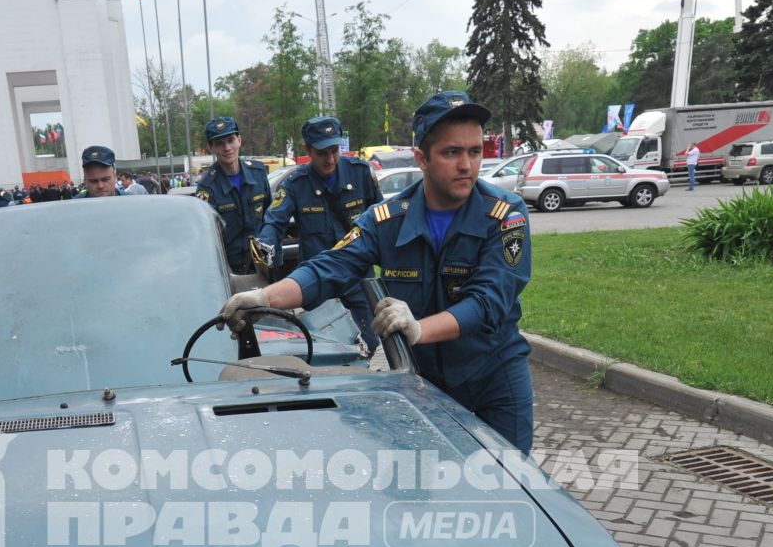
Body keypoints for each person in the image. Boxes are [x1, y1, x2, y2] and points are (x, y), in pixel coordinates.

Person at [220, 91, 537, 451]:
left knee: (510, 490)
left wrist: (418, 328)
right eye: (451, 152)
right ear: (422, 158)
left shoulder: (505, 213)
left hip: (495, 380)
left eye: (474, 151)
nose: (466, 165)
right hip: (426, 383)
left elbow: (489, 302)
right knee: (430, 487)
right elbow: (331, 267)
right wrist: (263, 298)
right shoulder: (388, 219)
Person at [257, 114, 382, 341]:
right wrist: (266, 247)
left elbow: (381, 217)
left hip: (358, 276)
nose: (330, 159)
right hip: (319, 281)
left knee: (371, 339)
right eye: (322, 153)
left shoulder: (360, 173)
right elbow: (274, 222)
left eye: (334, 150)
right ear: (307, 150)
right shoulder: (295, 184)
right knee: (326, 345)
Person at [193, 116, 270, 274]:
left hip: (263, 264)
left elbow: (270, 217)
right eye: (219, 143)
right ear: (210, 147)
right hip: (230, 271)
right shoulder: (207, 187)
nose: (227, 148)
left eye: (230, 140)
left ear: (239, 140)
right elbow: (207, 237)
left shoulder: (258, 173)